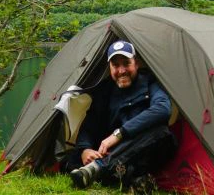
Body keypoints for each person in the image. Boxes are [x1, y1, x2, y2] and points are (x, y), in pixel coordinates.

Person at [67, 40, 177, 191]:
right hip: (116, 153)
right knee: (73, 157)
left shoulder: (150, 81)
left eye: (126, 63)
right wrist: (85, 150)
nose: (121, 70)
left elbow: (162, 109)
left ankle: (100, 168)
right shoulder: (105, 90)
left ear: (136, 64)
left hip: (147, 147)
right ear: (110, 68)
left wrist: (119, 134)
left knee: (162, 132)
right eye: (116, 65)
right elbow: (89, 126)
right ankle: (134, 178)